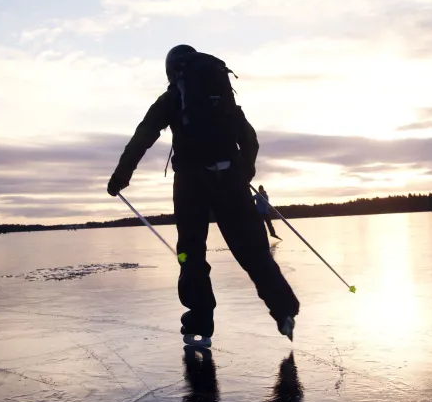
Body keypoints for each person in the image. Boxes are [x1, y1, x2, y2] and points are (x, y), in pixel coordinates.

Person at [107, 44, 299, 346]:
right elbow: (249, 139)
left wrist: (121, 177)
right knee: (252, 250)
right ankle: (284, 310)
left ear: (172, 71)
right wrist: (242, 171)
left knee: (190, 254)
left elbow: (143, 135)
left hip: (190, 186)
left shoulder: (173, 98)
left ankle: (200, 322)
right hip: (231, 181)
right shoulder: (221, 96)